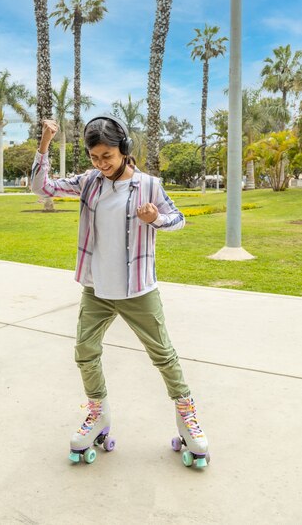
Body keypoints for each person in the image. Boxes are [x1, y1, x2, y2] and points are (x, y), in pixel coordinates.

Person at [31, 114, 209, 468]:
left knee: (163, 355)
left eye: (107, 157)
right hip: (97, 288)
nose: (101, 164)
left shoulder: (149, 186)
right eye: (95, 157)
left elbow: (178, 219)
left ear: (124, 150)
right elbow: (42, 188)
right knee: (85, 351)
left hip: (138, 289)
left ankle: (187, 416)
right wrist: (44, 144)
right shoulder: (89, 182)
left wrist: (154, 218)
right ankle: (97, 411)